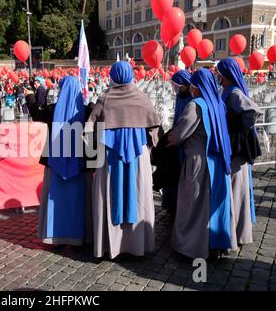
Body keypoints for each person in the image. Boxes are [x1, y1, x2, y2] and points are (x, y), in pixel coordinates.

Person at [86, 61, 161, 258]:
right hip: (138, 155)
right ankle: (137, 245)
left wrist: (99, 144)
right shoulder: (142, 96)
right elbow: (154, 127)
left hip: (109, 155)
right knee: (138, 193)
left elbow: (89, 128)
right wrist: (148, 146)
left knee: (109, 194)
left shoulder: (105, 97)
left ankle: (111, 245)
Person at [167, 68, 237, 259]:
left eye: (192, 85)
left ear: (196, 86)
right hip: (218, 161)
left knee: (194, 207)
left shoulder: (194, 106)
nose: (190, 88)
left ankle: (191, 247)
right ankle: (216, 245)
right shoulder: (218, 103)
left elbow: (179, 136)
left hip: (198, 162)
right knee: (213, 208)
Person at [25, 76, 93, 246]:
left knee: (55, 199)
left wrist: (30, 97)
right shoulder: (85, 111)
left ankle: (56, 236)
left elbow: (35, 114)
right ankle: (79, 237)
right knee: (79, 201)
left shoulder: (52, 110)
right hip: (80, 163)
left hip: (54, 163)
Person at [217, 58, 262, 246]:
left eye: (219, 73)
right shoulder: (227, 91)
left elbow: (253, 110)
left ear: (226, 75)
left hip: (237, 151)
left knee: (236, 190)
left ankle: (237, 232)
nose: (217, 76)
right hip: (233, 150)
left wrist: (238, 132)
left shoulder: (234, 93)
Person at [154, 70, 193, 221]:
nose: (175, 88)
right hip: (176, 138)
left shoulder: (191, 98)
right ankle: (171, 206)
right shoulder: (180, 96)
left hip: (185, 142)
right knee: (171, 173)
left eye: (177, 85)